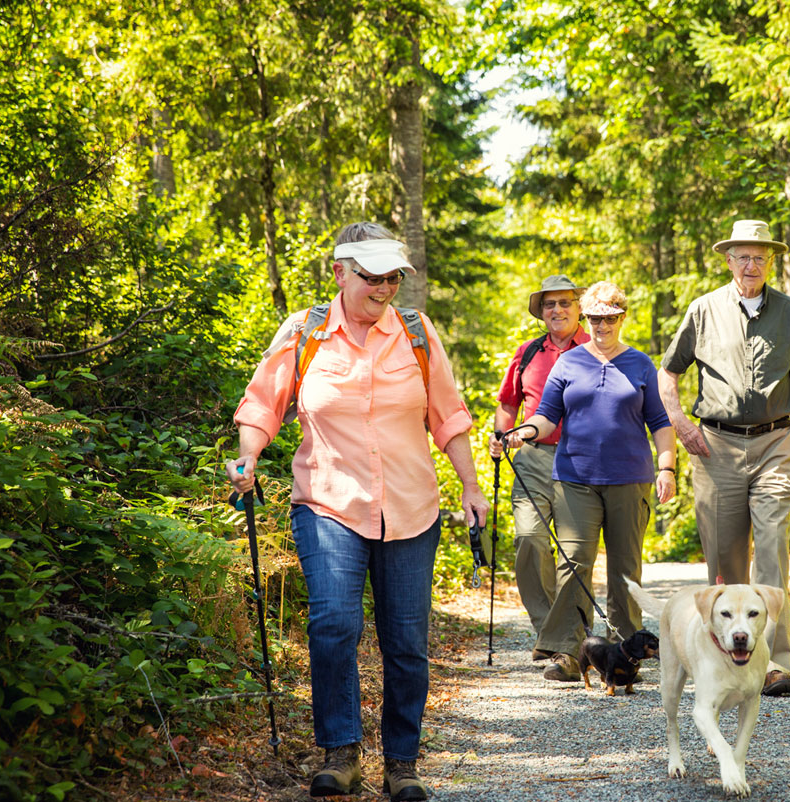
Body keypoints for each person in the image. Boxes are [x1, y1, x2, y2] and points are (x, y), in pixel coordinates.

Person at [225, 221, 487, 801]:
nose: (385, 287)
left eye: (393, 276)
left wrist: (471, 486)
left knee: (406, 641)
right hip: (327, 502)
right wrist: (247, 457)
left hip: (411, 507)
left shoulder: (417, 333)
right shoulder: (305, 332)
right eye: (372, 276)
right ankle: (340, 752)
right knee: (334, 624)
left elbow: (448, 415)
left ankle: (402, 762)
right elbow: (262, 405)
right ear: (340, 273)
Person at [657, 219, 790, 697]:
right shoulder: (703, 310)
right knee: (725, 557)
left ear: (770, 262)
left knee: (772, 543)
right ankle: (726, 655)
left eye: (760, 257)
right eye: (742, 257)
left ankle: (774, 661)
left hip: (777, 441)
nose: (751, 265)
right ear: (728, 260)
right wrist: (681, 423)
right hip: (716, 446)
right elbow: (667, 375)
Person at [505, 281, 676, 682]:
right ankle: (568, 651)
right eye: (596, 318)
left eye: (610, 318)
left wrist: (667, 468)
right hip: (574, 479)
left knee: (624, 568)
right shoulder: (569, 363)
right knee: (574, 565)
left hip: (630, 479)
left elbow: (660, 424)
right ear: (588, 317)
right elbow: (546, 415)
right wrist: (524, 432)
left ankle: (626, 650)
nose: (602, 325)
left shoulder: (639, 364)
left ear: (622, 317)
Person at [487, 275, 589, 661]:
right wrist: (500, 435)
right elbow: (508, 404)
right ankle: (549, 629)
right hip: (532, 456)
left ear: (579, 308)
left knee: (572, 552)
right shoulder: (527, 353)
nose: (558, 310)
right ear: (541, 312)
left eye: (566, 303)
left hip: (582, 460)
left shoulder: (596, 348)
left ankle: (565, 640)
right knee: (529, 539)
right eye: (550, 304)